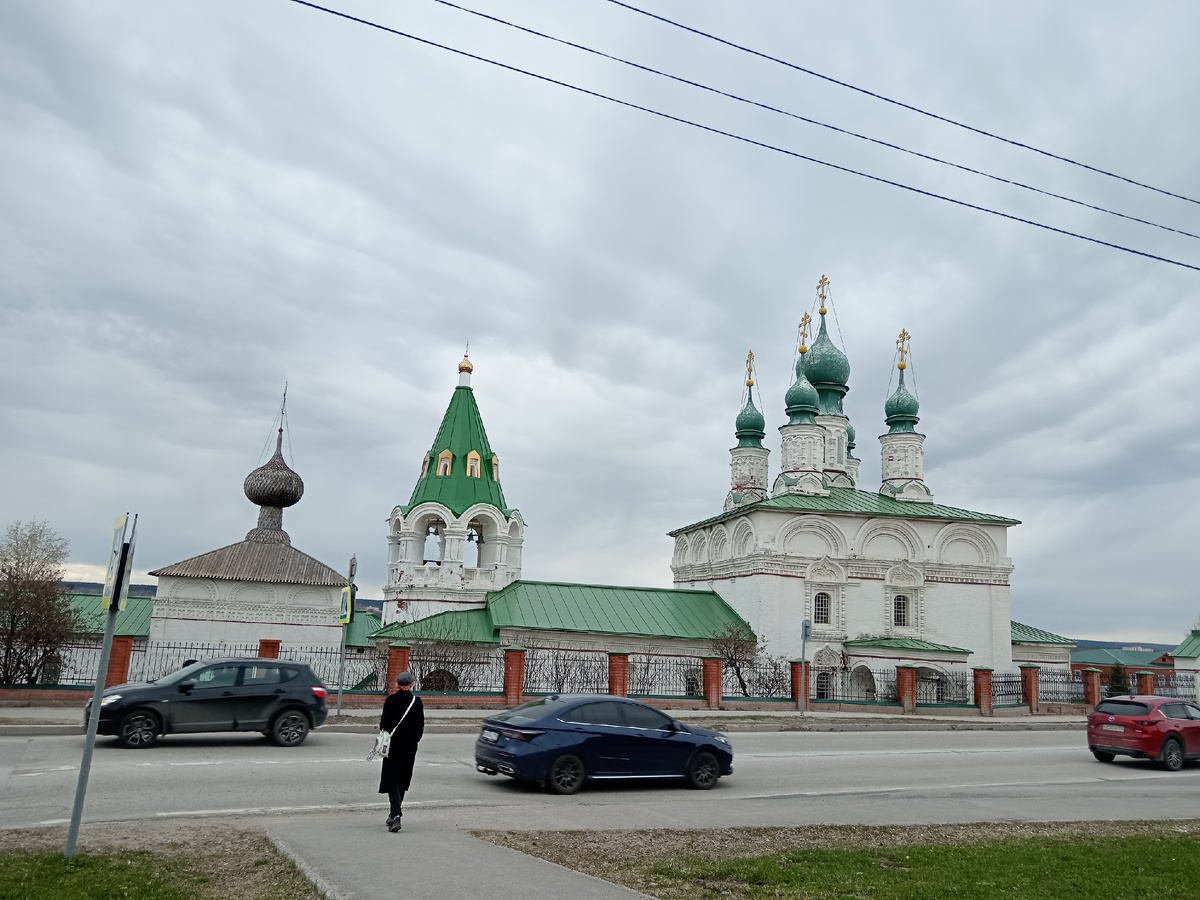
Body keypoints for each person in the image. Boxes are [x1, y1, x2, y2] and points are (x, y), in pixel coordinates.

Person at [378, 671, 424, 832]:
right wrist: (413, 741)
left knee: (392, 781)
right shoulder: (416, 702)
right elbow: (420, 729)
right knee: (403, 780)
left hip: (393, 747)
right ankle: (393, 814)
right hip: (409, 748)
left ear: (397, 684)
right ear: (412, 684)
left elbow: (384, 724)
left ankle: (396, 816)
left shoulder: (390, 700)